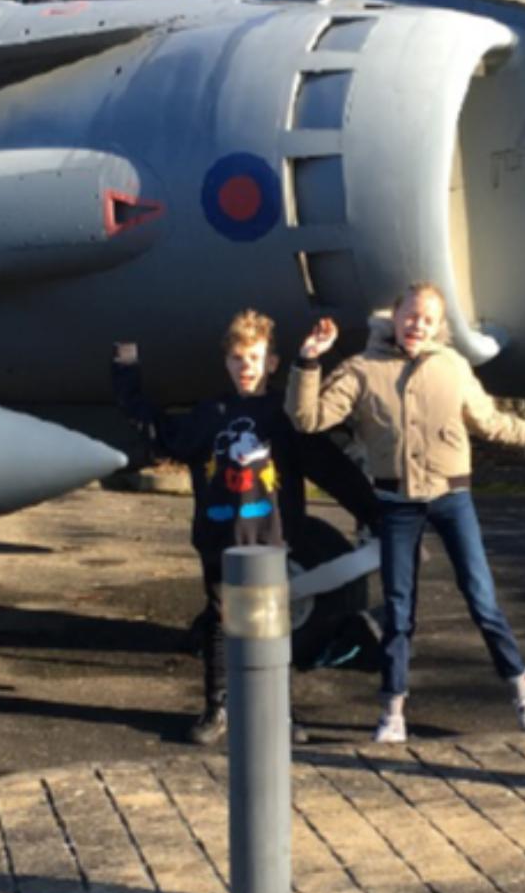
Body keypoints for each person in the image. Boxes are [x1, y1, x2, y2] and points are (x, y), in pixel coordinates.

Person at [288, 283, 525, 744]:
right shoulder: (361, 370)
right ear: (395, 315)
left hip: (452, 500)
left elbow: (492, 423)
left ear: (438, 326)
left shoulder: (452, 366)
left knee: (482, 601)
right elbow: (306, 420)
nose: (417, 325)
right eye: (411, 315)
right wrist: (308, 361)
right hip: (396, 504)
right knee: (400, 611)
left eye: (427, 319)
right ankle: (392, 711)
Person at [113, 310, 377, 745]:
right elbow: (160, 430)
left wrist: (374, 513)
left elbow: (331, 468)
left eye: (254, 358)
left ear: (271, 363)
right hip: (220, 540)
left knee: (272, 628)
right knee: (220, 623)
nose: (246, 367)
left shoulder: (285, 417)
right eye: (238, 359)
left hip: (271, 542)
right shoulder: (209, 413)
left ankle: (279, 713)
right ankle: (218, 707)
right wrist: (125, 370)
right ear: (227, 364)